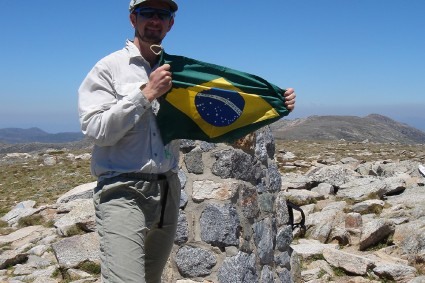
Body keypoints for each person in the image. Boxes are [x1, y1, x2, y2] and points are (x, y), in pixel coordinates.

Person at [78, 0, 296, 282]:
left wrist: (273, 103)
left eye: (163, 14)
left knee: (151, 278)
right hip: (123, 190)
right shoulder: (109, 68)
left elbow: (225, 102)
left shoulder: (178, 71)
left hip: (167, 190)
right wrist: (145, 94)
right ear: (133, 18)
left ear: (171, 23)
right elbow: (95, 130)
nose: (155, 20)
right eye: (147, 13)